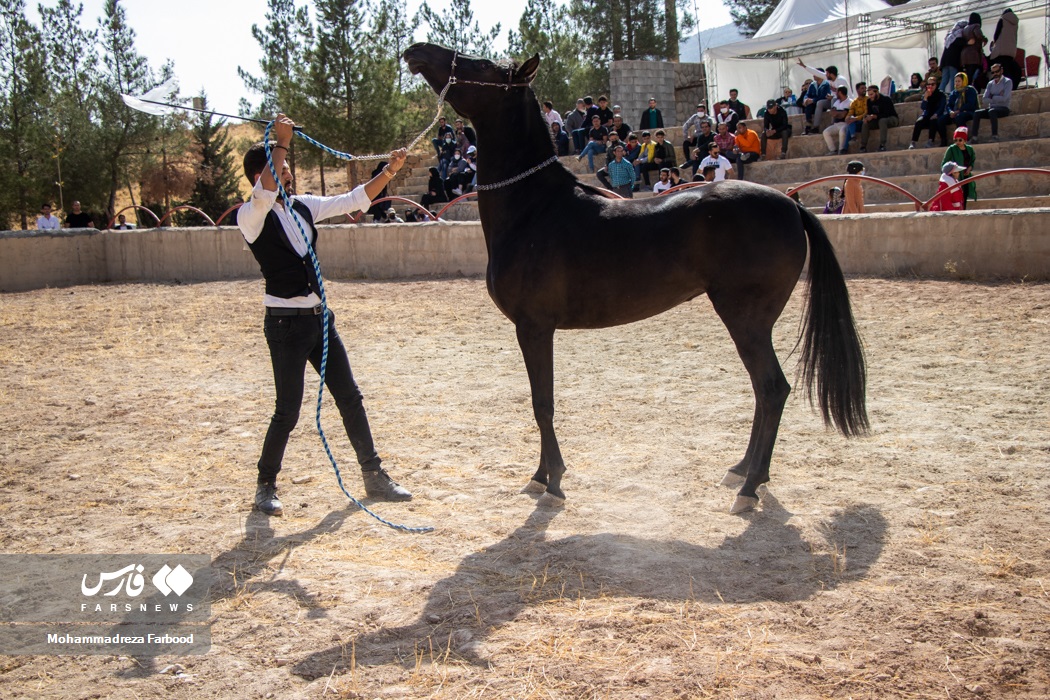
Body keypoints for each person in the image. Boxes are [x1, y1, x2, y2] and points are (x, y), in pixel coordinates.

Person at [236, 113, 413, 516]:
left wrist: (389, 171)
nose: (288, 174)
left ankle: (374, 474)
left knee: (350, 395)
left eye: (287, 168)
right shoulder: (249, 217)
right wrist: (280, 143)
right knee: (288, 410)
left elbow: (352, 200)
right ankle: (265, 485)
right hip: (284, 325)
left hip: (319, 320)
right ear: (260, 175)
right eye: (280, 168)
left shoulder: (302, 208)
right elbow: (265, 192)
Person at [971, 63, 1012, 143]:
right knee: (977, 113)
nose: (995, 74)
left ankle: (995, 136)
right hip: (992, 108)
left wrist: (992, 96)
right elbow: (984, 99)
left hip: (1003, 108)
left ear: (1001, 71)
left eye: (997, 71)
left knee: (992, 111)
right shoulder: (990, 84)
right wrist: (997, 96)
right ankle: (974, 137)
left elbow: (1004, 98)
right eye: (993, 72)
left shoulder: (1007, 82)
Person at [942, 126, 977, 208]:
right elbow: (944, 163)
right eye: (955, 140)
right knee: (956, 197)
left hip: (966, 176)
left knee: (964, 196)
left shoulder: (970, 149)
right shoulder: (951, 149)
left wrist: (970, 168)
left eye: (960, 140)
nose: (957, 142)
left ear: (965, 140)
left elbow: (972, 161)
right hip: (955, 177)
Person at [909, 77, 948, 149]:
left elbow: (942, 107)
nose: (930, 86)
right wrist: (925, 98)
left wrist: (936, 114)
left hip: (937, 115)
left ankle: (931, 141)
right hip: (927, 114)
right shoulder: (926, 94)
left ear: (936, 85)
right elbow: (923, 107)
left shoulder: (941, 95)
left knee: (933, 120)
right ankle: (913, 142)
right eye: (928, 84)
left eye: (932, 84)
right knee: (919, 122)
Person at [859, 84, 899, 152]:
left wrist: (875, 116)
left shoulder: (886, 99)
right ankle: (863, 146)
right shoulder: (869, 101)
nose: (870, 96)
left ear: (876, 92)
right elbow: (869, 113)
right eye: (869, 95)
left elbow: (887, 113)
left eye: (871, 94)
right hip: (878, 120)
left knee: (882, 120)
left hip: (891, 119)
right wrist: (866, 118)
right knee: (865, 124)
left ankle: (882, 145)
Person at [989, 8, 1021, 88]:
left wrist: (995, 43)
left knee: (1004, 71)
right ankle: (1013, 88)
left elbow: (996, 35)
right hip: (1011, 52)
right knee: (1013, 70)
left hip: (1001, 51)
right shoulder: (1016, 23)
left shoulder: (1002, 20)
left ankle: (1006, 88)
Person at [939, 72, 978, 137]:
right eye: (956, 81)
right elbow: (948, 105)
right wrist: (950, 111)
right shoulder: (954, 92)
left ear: (964, 81)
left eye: (959, 81)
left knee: (959, 117)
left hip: (969, 111)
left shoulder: (970, 90)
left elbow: (970, 104)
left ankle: (964, 138)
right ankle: (944, 141)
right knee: (941, 120)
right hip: (955, 113)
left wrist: (959, 111)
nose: (957, 83)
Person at [940, 18, 970, 93]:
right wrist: (968, 42)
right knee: (954, 79)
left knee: (944, 80)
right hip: (953, 61)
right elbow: (960, 43)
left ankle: (939, 95)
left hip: (944, 62)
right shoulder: (958, 35)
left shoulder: (950, 36)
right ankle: (953, 95)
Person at [821, 87, 852, 156]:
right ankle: (833, 150)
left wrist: (837, 113)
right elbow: (832, 113)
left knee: (842, 132)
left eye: (837, 92)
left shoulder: (849, 102)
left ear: (840, 93)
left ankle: (841, 150)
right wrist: (839, 113)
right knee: (826, 132)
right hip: (836, 124)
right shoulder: (837, 102)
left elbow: (843, 115)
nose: (836, 94)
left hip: (845, 123)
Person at [960, 13, 987, 88]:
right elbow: (978, 34)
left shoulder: (965, 29)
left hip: (964, 55)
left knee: (968, 74)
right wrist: (985, 39)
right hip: (973, 55)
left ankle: (966, 87)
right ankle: (970, 88)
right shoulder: (976, 26)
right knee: (974, 73)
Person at [842, 81, 868, 152]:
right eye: (862, 88)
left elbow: (866, 113)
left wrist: (855, 118)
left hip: (865, 120)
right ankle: (852, 137)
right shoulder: (854, 102)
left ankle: (845, 148)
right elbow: (850, 112)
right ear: (857, 90)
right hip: (857, 122)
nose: (864, 90)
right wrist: (847, 118)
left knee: (850, 125)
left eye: (865, 88)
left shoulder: (867, 100)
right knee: (850, 123)